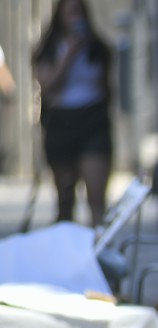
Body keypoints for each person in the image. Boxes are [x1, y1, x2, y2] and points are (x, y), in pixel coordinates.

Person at [32, 0, 113, 225]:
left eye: (78, 12)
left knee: (96, 197)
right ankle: (65, 252)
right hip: (61, 121)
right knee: (65, 200)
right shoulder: (50, 48)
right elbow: (47, 87)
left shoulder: (97, 48)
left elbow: (107, 86)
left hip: (93, 119)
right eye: (69, 13)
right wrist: (69, 54)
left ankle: (95, 251)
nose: (74, 18)